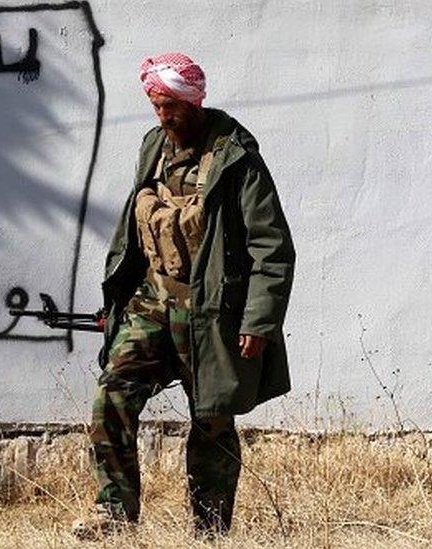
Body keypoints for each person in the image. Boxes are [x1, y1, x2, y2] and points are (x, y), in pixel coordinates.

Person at [73, 53, 295, 539]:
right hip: (152, 305)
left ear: (195, 100)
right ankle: (114, 514)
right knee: (112, 395)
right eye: (156, 106)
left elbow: (272, 248)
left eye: (171, 106)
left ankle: (210, 529)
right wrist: (117, 304)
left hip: (212, 316)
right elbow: (136, 234)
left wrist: (258, 322)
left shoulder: (235, 159)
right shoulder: (153, 147)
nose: (163, 116)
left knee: (212, 424)